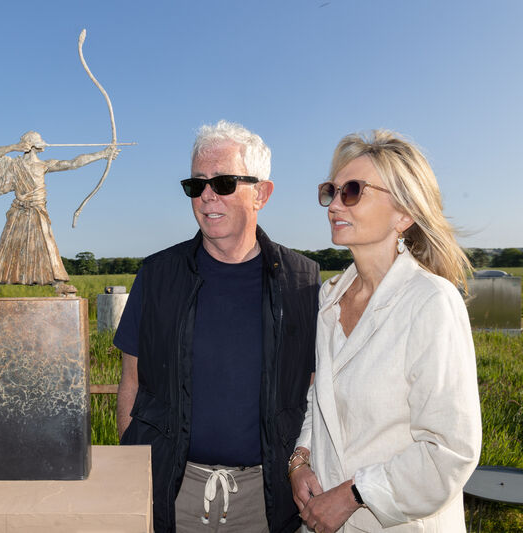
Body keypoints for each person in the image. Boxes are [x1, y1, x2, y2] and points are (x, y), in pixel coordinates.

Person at [114, 120, 320, 532]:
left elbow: (316, 390)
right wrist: (132, 476)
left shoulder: (303, 282)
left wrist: (300, 465)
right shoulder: (156, 277)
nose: (207, 196)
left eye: (224, 183)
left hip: (268, 498)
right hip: (172, 492)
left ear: (261, 192)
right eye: (196, 184)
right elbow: (130, 385)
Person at [289, 130, 482, 533]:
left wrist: (353, 496)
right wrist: (300, 460)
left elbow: (450, 451)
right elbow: (318, 400)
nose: (334, 204)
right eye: (332, 191)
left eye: (353, 191)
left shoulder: (430, 303)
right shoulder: (329, 301)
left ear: (404, 214)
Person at [0, 131, 119, 292]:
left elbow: (73, 163)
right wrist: (14, 147)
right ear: (32, 144)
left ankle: (58, 283)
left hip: (37, 211)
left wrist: (102, 154)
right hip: (18, 210)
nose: (44, 143)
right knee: (7, 244)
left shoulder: (43, 165)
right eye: (40, 140)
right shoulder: (13, 164)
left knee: (47, 245)